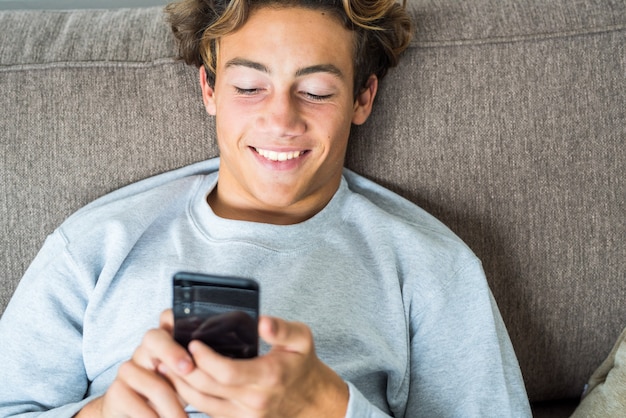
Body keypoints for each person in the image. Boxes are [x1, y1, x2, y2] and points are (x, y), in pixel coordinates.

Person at [0, 0, 532, 416]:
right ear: (209, 88)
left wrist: (325, 408)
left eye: (318, 91)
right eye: (250, 86)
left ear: (362, 98)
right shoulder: (94, 246)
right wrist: (102, 415)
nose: (282, 120)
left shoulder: (430, 266)